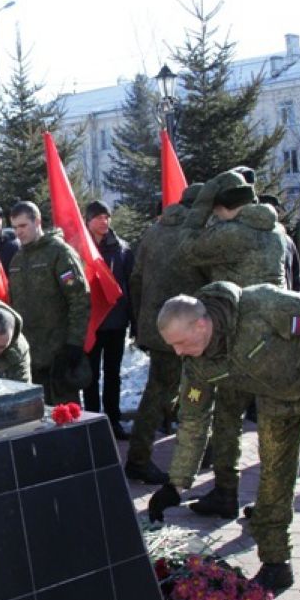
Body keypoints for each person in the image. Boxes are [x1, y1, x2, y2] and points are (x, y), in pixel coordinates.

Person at [148, 283, 300, 592]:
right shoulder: (197, 364)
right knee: (273, 482)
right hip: (276, 402)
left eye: (180, 342)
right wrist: (176, 484)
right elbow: (193, 421)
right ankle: (276, 563)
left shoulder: (262, 307)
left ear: (201, 325)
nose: (178, 352)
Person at [177, 170, 289, 519]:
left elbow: (186, 247)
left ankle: (226, 492)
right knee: (273, 424)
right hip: (275, 337)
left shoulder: (232, 233)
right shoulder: (275, 230)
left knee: (228, 418)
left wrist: (203, 200)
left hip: (238, 340)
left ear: (222, 206)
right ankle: (271, 504)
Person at [125, 184, 205, 484]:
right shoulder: (198, 234)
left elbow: (135, 279)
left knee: (160, 390)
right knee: (187, 389)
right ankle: (140, 459)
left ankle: (143, 455)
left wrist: (142, 322)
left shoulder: (153, 233)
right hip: (190, 328)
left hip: (157, 326)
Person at [8, 201, 90, 404]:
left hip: (58, 352)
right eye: (15, 227)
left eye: (23, 225)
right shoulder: (17, 259)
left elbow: (79, 299)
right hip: (29, 354)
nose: (18, 232)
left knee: (66, 413)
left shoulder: (59, 253)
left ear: (37, 222)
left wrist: (74, 343)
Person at [82, 200, 134, 440]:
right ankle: (93, 421)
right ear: (87, 221)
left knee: (113, 374)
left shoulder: (121, 249)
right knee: (90, 376)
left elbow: (130, 286)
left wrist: (132, 319)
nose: (104, 222)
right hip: (91, 323)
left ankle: (113, 420)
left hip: (116, 322)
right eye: (98, 217)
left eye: (106, 217)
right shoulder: (80, 248)